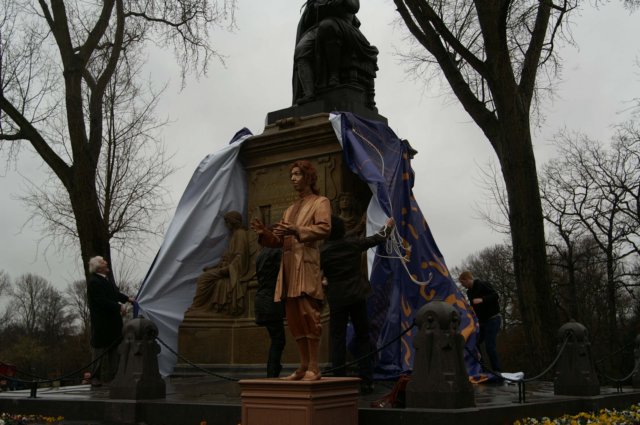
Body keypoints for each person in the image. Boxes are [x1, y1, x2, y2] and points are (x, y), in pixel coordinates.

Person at [250, 159, 331, 381]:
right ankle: (303, 366)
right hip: (287, 268)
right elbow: (278, 240)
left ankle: (314, 367)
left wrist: (297, 230)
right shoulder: (289, 209)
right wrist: (265, 234)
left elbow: (324, 228)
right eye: (291, 175)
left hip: (305, 264)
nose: (293, 179)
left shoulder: (320, 202)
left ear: (308, 177)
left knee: (309, 315)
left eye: (297, 174)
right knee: (294, 318)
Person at [321, 214, 394, 393]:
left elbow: (318, 272)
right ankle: (366, 380)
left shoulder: (323, 251)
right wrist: (388, 226)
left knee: (337, 338)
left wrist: (324, 280)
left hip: (337, 298)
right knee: (363, 336)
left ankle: (338, 379)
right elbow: (378, 238)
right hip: (357, 295)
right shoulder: (353, 244)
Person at [292, 0, 379, 105]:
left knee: (328, 26)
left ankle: (334, 77)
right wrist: (314, 8)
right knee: (301, 49)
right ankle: (308, 93)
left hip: (343, 24)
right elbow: (307, 19)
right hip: (317, 29)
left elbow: (354, 7)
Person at [186, 211, 257, 316]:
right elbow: (227, 257)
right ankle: (200, 307)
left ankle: (198, 307)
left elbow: (240, 256)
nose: (226, 225)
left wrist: (228, 269)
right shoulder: (234, 235)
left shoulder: (240, 234)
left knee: (204, 278)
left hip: (233, 270)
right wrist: (212, 267)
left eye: (227, 222)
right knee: (206, 276)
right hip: (228, 268)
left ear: (232, 222)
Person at [86, 256, 134, 387]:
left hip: (113, 322)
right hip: (102, 323)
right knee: (99, 351)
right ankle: (95, 377)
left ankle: (116, 376)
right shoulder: (94, 282)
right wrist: (119, 306)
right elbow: (101, 301)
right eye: (103, 262)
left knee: (115, 351)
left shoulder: (107, 280)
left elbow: (115, 294)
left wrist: (128, 299)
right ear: (98, 267)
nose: (106, 263)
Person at [458, 271, 502, 372]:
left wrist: (482, 299)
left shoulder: (482, 284)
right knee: (475, 342)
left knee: (490, 347)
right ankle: (483, 369)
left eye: (463, 283)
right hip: (482, 322)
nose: (463, 286)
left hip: (493, 319)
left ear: (467, 279)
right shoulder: (469, 292)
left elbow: (495, 295)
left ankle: (497, 371)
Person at [254, 247, 286, 378]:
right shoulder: (276, 253)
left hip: (262, 299)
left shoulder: (262, 254)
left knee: (276, 339)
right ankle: (272, 374)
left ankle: (273, 372)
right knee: (278, 340)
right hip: (271, 302)